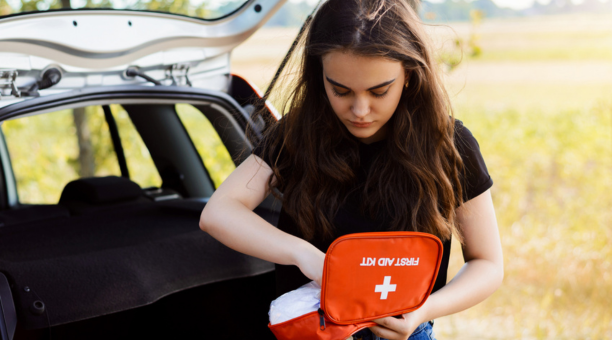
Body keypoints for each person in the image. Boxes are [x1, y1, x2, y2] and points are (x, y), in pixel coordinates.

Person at [199, 0, 503, 339]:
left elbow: (487, 263)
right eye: (340, 90)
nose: (360, 110)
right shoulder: (298, 135)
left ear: (410, 75)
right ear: (319, 76)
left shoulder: (449, 145)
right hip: (313, 330)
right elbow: (218, 212)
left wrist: (424, 311)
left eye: (379, 91)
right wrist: (303, 255)